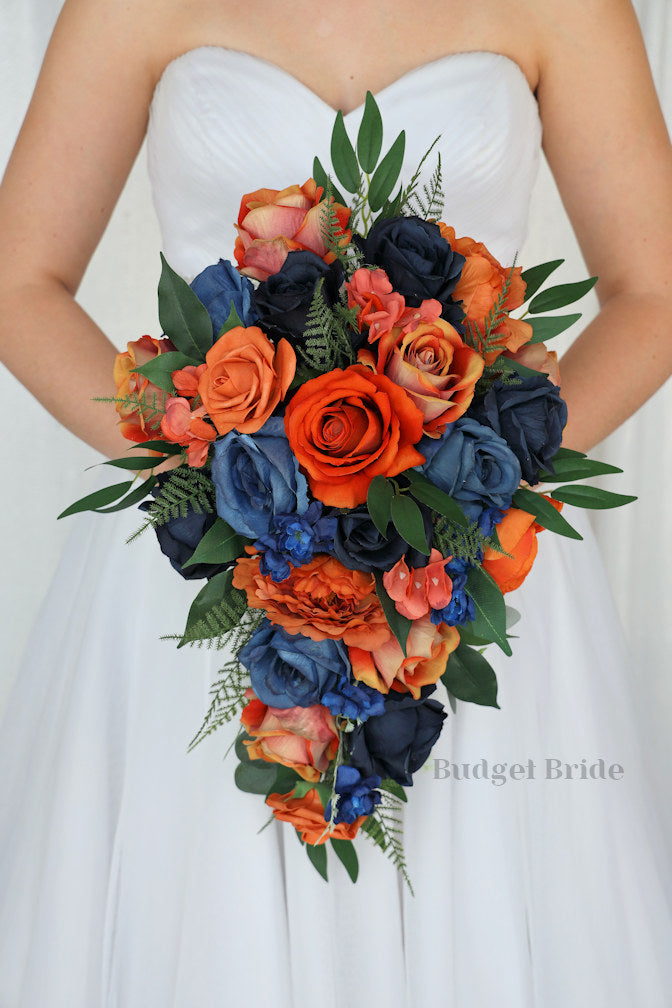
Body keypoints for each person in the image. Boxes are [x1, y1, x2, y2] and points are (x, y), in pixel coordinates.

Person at [1, 0, 671, 1005]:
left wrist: (472, 474)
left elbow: (654, 288)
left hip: (464, 562)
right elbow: (20, 283)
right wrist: (203, 467)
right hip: (209, 554)